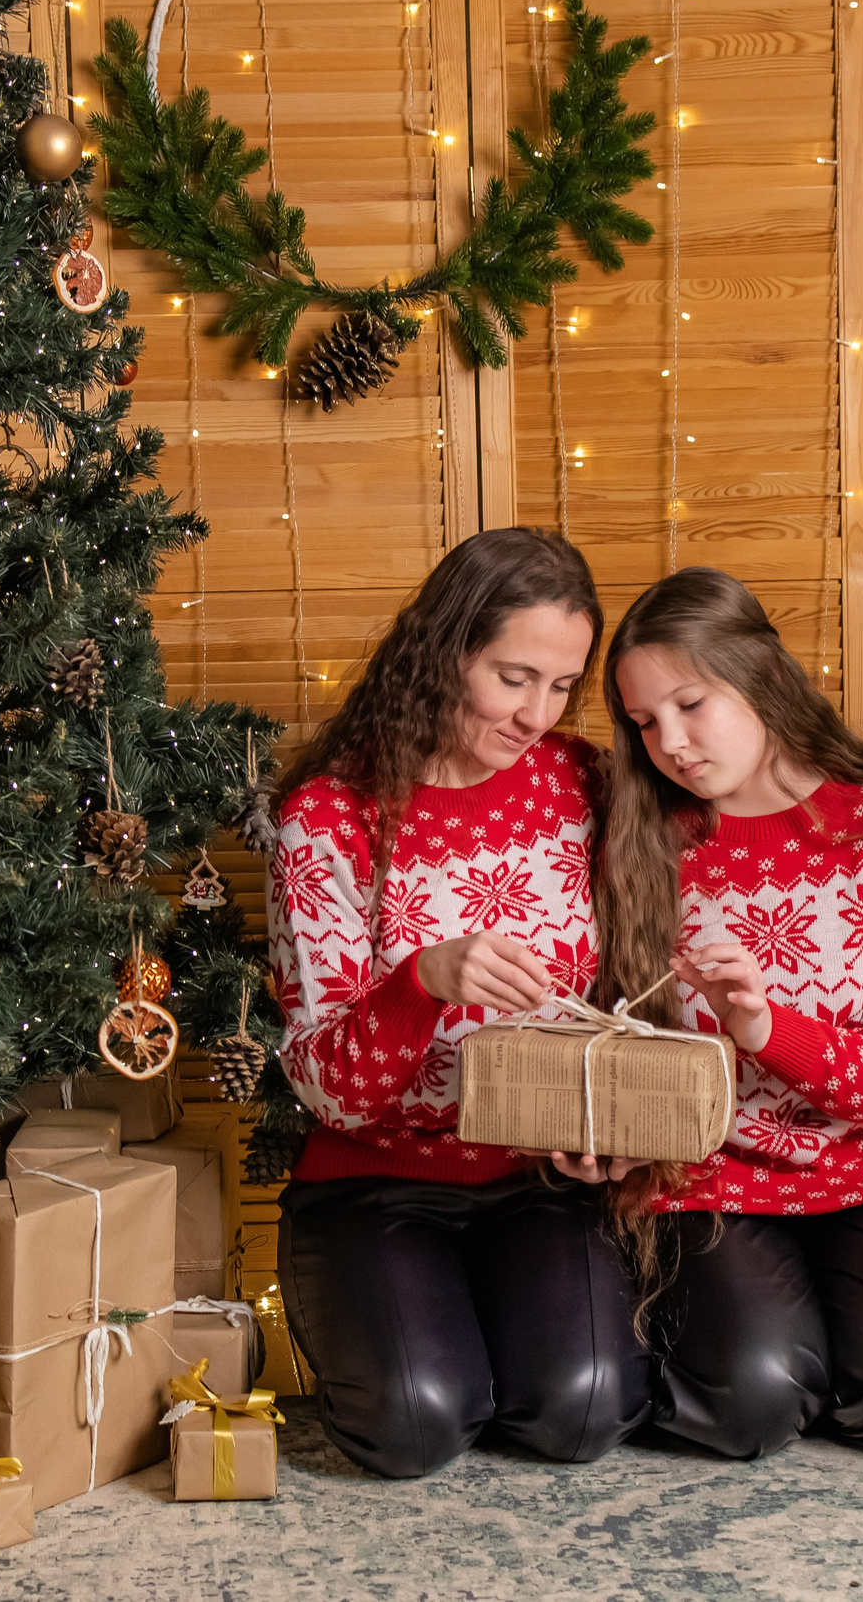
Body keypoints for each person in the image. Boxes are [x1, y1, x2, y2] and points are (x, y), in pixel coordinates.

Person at [592, 565, 863, 1459]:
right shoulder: (639, 842)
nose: (669, 740)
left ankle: (825, 1350)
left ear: (759, 676)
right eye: (642, 721)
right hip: (703, 1170)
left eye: (690, 703)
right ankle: (775, 1355)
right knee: (747, 1407)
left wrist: (762, 1026)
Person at [268, 526, 650, 1478]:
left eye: (562, 685)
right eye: (514, 676)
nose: (537, 712)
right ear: (446, 651)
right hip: (374, 1180)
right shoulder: (329, 816)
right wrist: (422, 980)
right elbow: (326, 1086)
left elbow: (740, 809)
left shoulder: (583, 781)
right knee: (412, 1430)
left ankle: (490, 1331)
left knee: (587, 1416)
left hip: (542, 1178)